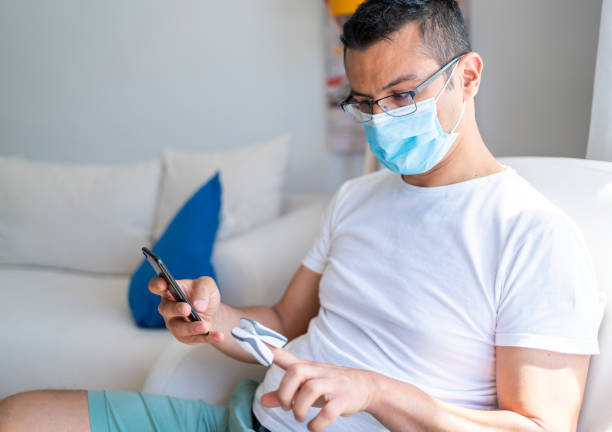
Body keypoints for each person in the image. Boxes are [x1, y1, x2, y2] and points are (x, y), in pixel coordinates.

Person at [0, 0, 606, 431]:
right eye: (366, 102)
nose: (383, 117)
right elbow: (287, 322)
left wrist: (375, 391)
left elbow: (537, 426)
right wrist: (217, 320)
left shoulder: (534, 236)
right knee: (20, 416)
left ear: (467, 77)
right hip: (249, 418)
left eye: (403, 94)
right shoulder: (356, 200)